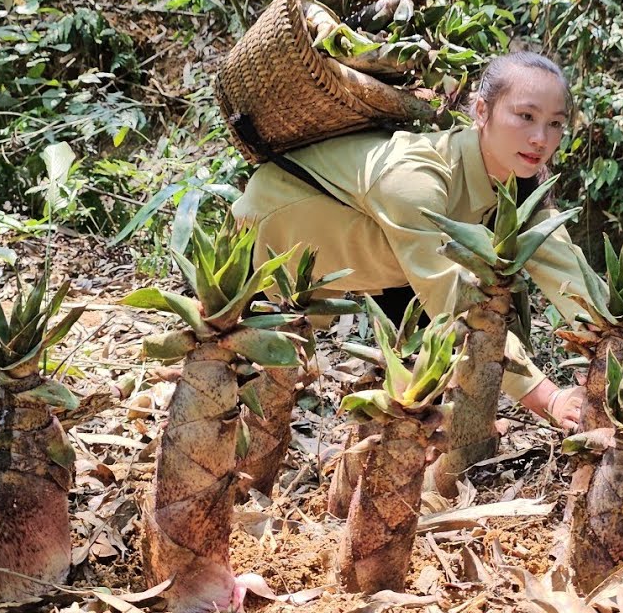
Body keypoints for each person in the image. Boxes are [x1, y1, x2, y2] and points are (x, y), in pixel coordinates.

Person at [232, 51, 588, 429]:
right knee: (244, 404)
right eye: (526, 116)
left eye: (555, 124)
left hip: (386, 269)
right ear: (482, 111)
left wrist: (618, 342)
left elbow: (567, 269)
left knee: (418, 406)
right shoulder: (415, 179)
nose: (540, 139)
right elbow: (453, 301)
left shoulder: (521, 184)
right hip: (264, 249)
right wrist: (549, 397)